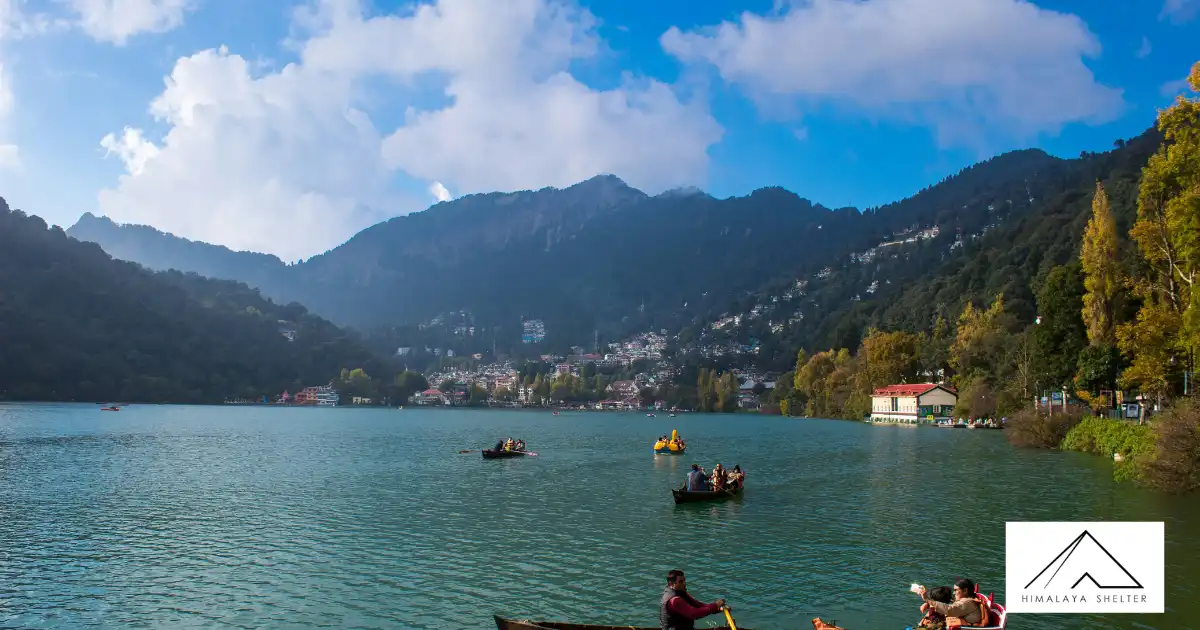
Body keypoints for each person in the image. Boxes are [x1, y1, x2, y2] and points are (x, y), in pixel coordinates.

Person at [660, 569, 725, 630]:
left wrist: (717, 609)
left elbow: (698, 605)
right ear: (671, 584)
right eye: (680, 581)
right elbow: (694, 613)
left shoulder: (681, 592)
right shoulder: (674, 600)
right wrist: (715, 605)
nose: (684, 583)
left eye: (684, 580)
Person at [918, 579, 985, 627]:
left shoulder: (967, 602)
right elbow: (949, 600)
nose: (954, 592)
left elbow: (949, 609)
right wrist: (928, 603)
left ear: (965, 591)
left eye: (956, 590)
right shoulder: (968, 599)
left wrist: (926, 599)